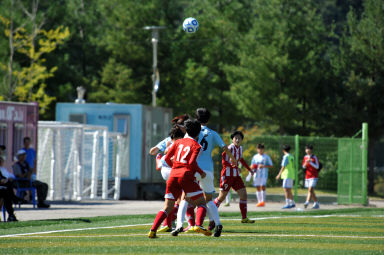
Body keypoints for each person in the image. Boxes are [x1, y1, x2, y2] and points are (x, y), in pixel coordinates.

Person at [176, 108, 238, 237]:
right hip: (208, 169)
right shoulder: (212, 133)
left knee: (185, 198)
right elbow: (224, 147)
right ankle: (218, 223)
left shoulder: (191, 132)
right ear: (208, 120)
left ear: (195, 117)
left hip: (193, 168)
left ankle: (180, 226)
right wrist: (233, 159)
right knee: (209, 200)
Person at [148, 119, 210, 238]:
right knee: (201, 202)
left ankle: (152, 230)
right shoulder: (197, 146)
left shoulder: (177, 142)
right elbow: (192, 163)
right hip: (186, 175)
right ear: (198, 133)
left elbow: (165, 159)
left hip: (173, 175)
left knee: (167, 207)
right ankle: (198, 225)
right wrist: (201, 173)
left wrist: (175, 167)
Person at [213, 131, 255, 223]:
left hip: (236, 176)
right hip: (227, 176)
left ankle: (244, 218)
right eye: (235, 138)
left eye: (239, 138)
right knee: (221, 197)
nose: (237, 139)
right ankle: (210, 210)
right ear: (232, 139)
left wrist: (249, 169)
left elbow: (241, 159)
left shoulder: (240, 148)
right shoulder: (229, 148)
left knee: (244, 194)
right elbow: (224, 160)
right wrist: (232, 165)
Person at [276, 144, 296, 209]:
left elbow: (283, 166)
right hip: (291, 174)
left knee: (286, 189)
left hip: (287, 175)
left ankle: (287, 203)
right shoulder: (292, 156)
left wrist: (279, 174)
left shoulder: (286, 157)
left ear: (283, 150)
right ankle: (292, 203)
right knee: (289, 189)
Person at [0, 157, 18, 221]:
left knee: (5, 191)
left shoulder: (2, 169)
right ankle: (11, 214)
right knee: (6, 191)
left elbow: (3, 177)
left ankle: (11, 215)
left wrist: (4, 180)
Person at [302, 144, 320, 209]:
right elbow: (303, 166)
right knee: (311, 190)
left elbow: (317, 166)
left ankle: (307, 202)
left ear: (311, 150)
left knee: (310, 189)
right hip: (307, 176)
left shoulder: (314, 157)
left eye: (308, 149)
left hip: (314, 176)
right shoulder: (305, 157)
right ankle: (316, 203)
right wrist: (306, 163)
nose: (307, 150)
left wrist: (311, 162)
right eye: (306, 149)